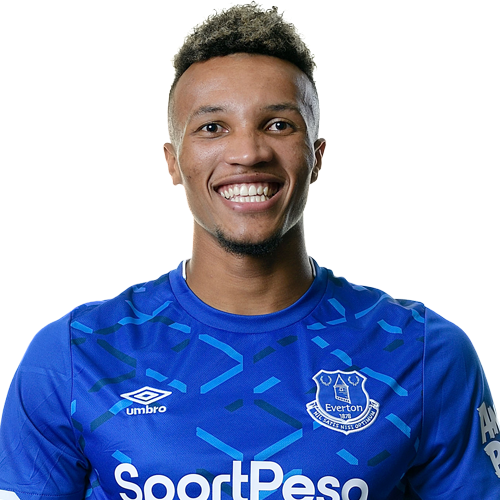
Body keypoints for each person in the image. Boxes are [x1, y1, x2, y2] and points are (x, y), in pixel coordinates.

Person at [1, 2, 498, 499]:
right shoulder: (76, 355)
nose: (249, 153)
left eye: (278, 124)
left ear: (316, 156)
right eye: (213, 127)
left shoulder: (423, 353)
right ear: (173, 162)